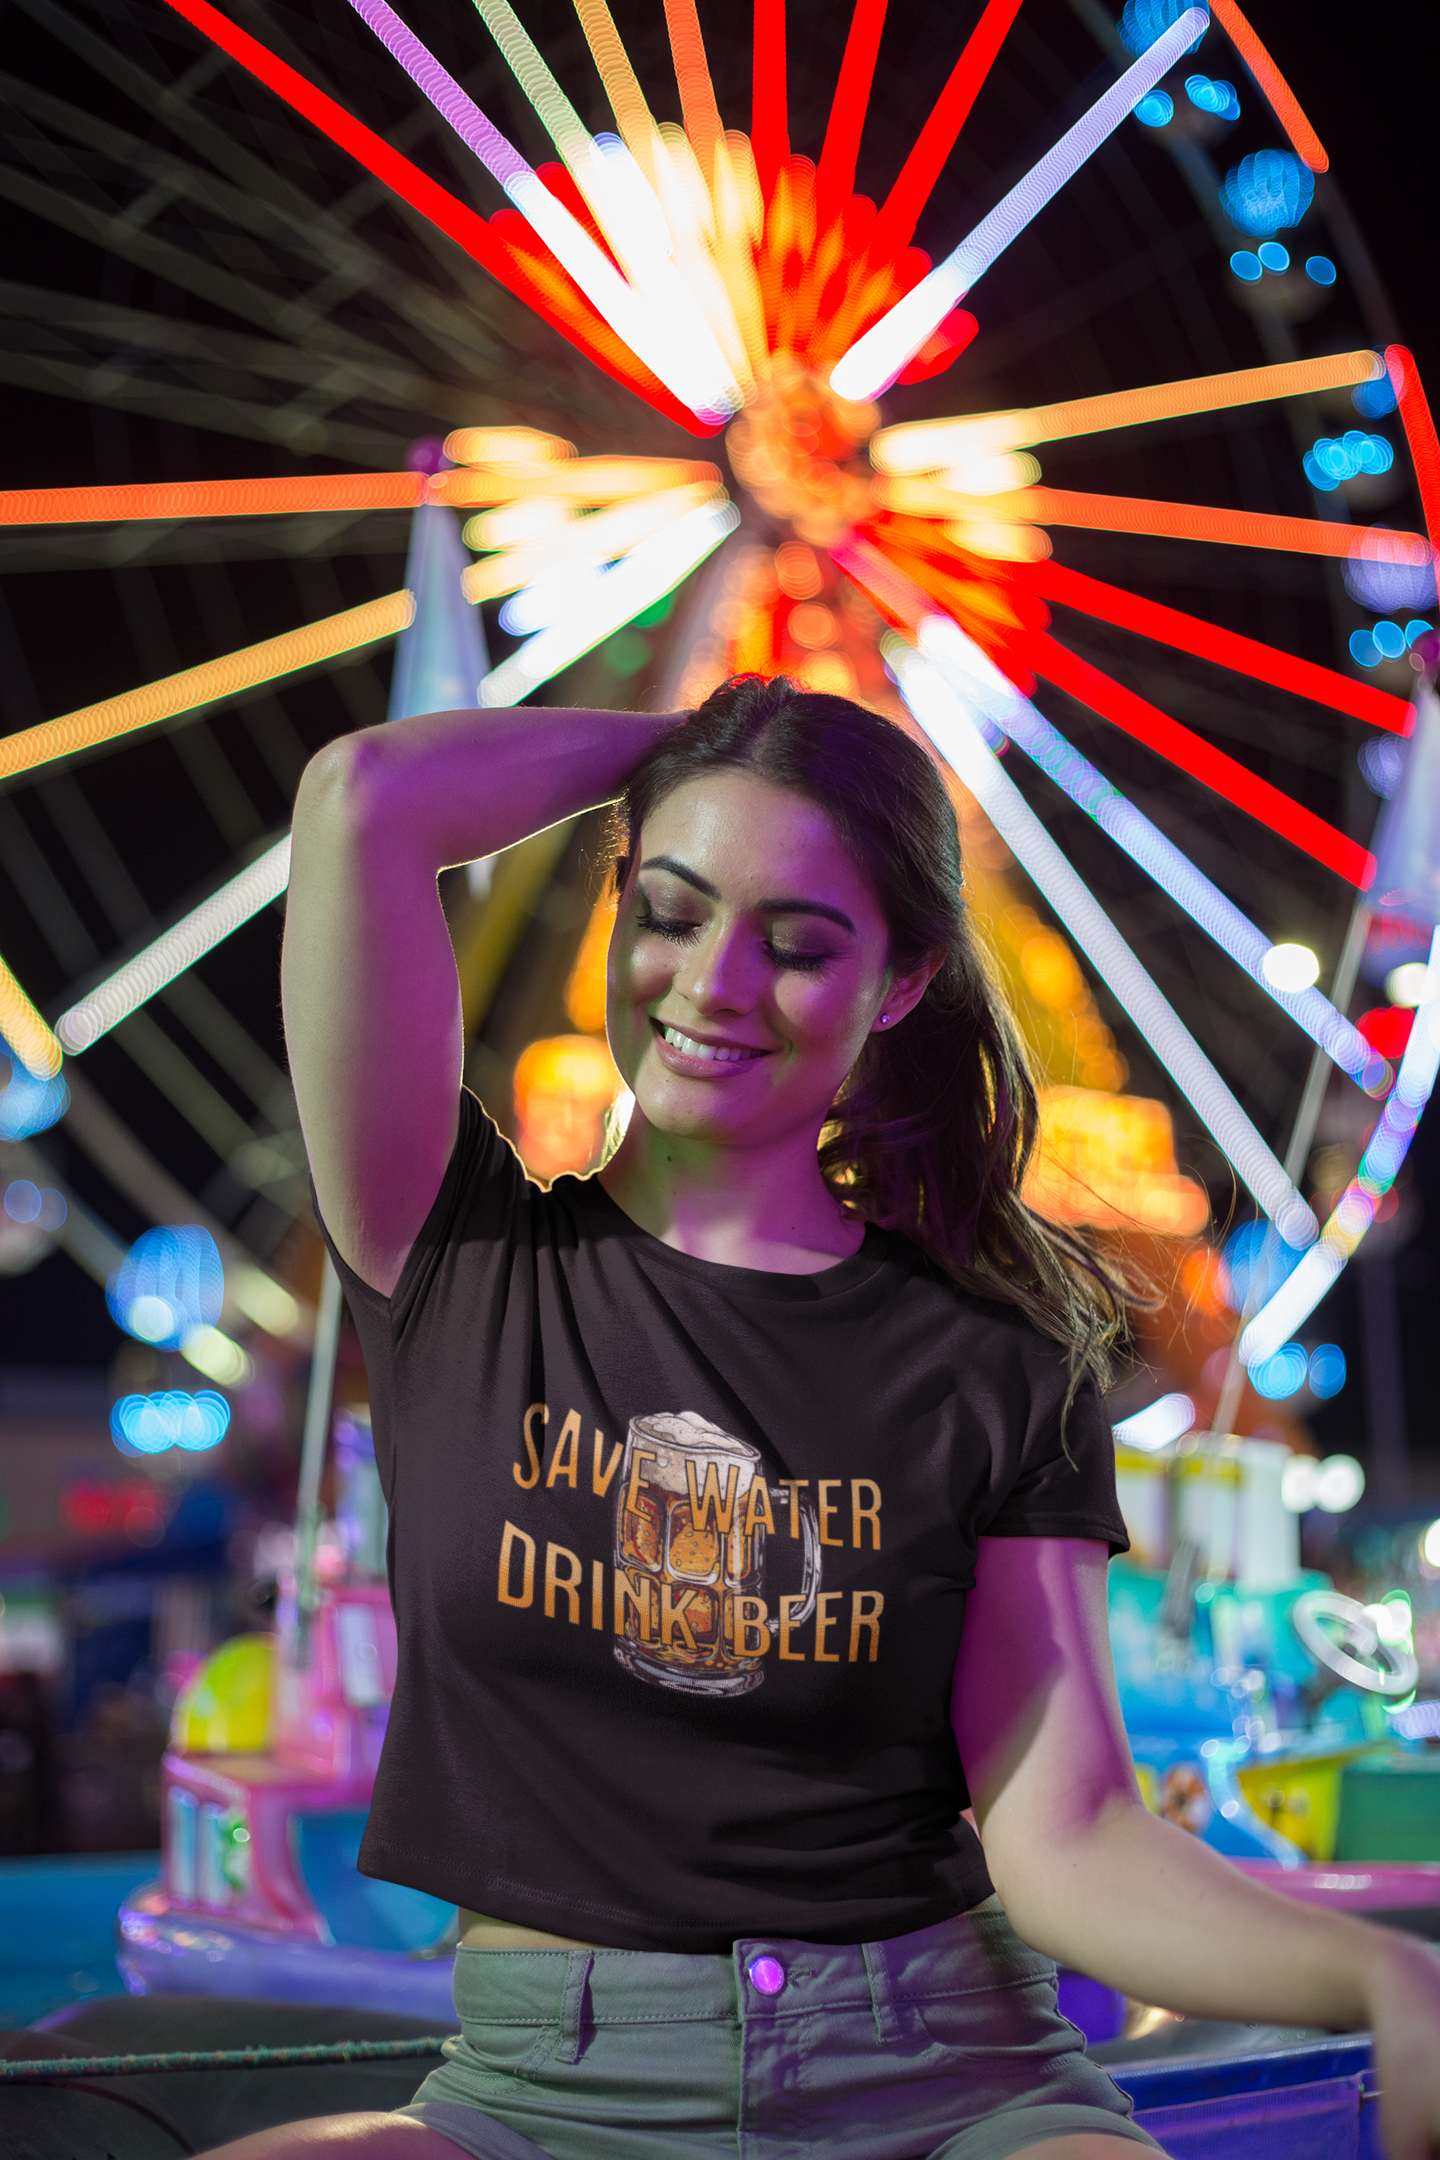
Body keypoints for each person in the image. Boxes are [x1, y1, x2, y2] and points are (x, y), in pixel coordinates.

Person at [206, 677, 1440, 2160]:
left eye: (796, 944)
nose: (714, 982)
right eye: (669, 910)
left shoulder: (997, 1359)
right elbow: (363, 799)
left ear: (902, 982)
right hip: (547, 2096)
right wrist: (706, 741)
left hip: (944, 2074)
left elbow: (1066, 1843)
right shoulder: (452, 1254)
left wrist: (1385, 1976)